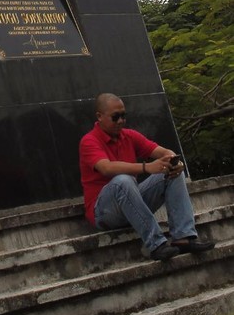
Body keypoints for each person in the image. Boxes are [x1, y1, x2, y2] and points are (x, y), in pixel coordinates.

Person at [79, 93, 216, 260]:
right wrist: (147, 167)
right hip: (105, 213)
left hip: (131, 204)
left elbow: (162, 151)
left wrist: (174, 161)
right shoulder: (89, 141)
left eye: (123, 116)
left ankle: (183, 237)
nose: (121, 121)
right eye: (115, 117)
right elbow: (106, 168)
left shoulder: (129, 135)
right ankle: (156, 244)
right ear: (99, 117)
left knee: (172, 172)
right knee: (123, 180)